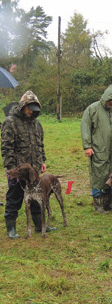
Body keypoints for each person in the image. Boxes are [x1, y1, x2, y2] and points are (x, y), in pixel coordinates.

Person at [1, 91, 55, 239]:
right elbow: (6, 148)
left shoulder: (37, 124)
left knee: (38, 197)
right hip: (18, 171)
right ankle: (11, 229)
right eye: (29, 108)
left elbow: (40, 145)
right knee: (15, 197)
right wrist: (11, 169)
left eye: (34, 109)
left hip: (34, 170)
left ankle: (39, 225)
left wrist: (42, 160)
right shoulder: (10, 122)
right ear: (23, 106)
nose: (31, 111)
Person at [81, 85, 112, 213]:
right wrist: (87, 146)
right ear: (105, 99)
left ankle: (108, 204)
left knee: (111, 176)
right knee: (98, 175)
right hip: (97, 150)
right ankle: (98, 205)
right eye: (110, 102)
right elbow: (85, 127)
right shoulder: (93, 109)